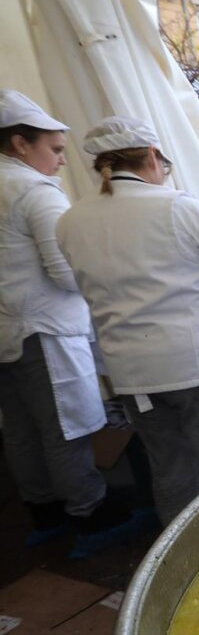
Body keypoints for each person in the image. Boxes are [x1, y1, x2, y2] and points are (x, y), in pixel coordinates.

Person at [56, 116, 199, 526]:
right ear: (150, 156)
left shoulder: (70, 220)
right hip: (194, 365)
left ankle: (176, 564)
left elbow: (115, 280)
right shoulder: (176, 206)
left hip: (130, 372)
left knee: (170, 470)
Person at [0, 91, 136, 553]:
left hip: (6, 327)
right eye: (54, 149)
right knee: (66, 426)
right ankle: (90, 514)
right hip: (44, 327)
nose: (61, 160)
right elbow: (66, 269)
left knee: (19, 428)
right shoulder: (33, 191)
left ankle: (43, 511)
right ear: (21, 143)